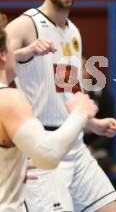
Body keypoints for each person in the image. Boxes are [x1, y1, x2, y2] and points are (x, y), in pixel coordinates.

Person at [5, 0, 116, 212]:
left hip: (75, 144)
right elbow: (2, 60)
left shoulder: (73, 32)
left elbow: (67, 92)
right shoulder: (28, 24)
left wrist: (93, 123)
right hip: (44, 146)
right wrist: (25, 53)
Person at [0, 23, 99, 211]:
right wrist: (79, 114)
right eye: (13, 52)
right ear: (4, 55)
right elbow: (47, 156)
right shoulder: (8, 99)